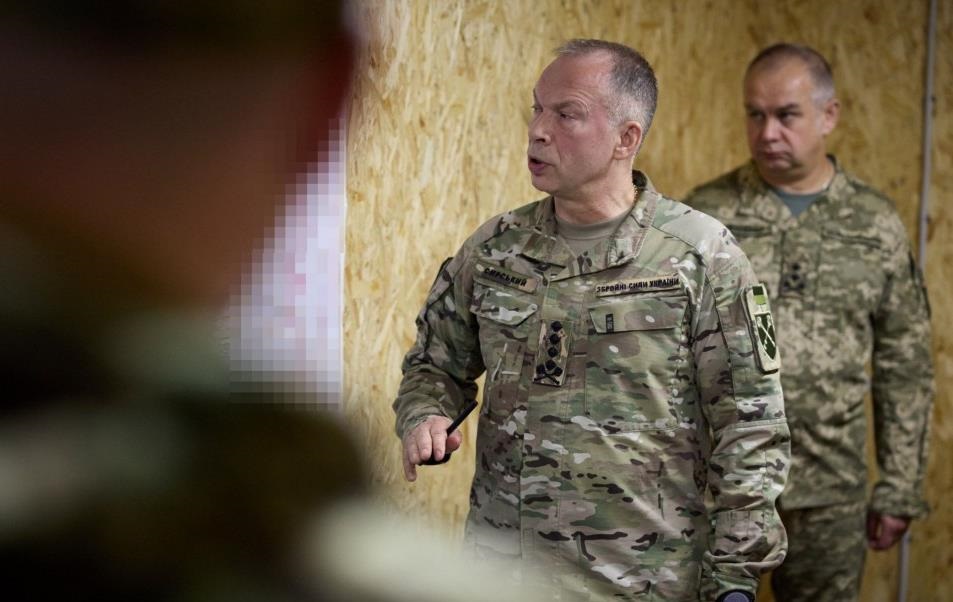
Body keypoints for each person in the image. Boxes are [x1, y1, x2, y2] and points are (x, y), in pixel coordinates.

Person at [394, 39, 791, 602]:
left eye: (566, 114)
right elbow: (434, 366)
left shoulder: (701, 257)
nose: (538, 130)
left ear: (626, 138)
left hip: (641, 581)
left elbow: (751, 425)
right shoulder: (496, 249)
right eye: (537, 108)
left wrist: (733, 579)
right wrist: (426, 414)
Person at [684, 43, 935, 602]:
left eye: (786, 115)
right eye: (755, 114)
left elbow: (905, 363)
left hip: (830, 491)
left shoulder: (874, 224)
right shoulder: (708, 217)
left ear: (828, 115)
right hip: (725, 485)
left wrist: (899, 486)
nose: (768, 132)